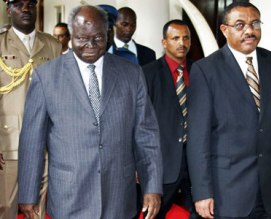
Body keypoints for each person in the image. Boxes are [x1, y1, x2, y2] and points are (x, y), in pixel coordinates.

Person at [18, 5, 163, 219]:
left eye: (97, 38)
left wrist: (152, 186)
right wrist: (28, 194)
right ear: (70, 36)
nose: (90, 46)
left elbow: (146, 134)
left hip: (119, 196)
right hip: (69, 197)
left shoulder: (131, 74)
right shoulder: (46, 77)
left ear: (108, 34)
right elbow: (32, 141)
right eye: (82, 38)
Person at [187, 2, 271, 219]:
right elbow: (197, 139)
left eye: (255, 23)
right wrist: (202, 192)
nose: (249, 30)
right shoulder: (206, 70)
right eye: (240, 25)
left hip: (268, 189)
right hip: (226, 192)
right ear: (225, 30)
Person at [0, 0, 62, 218]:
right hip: (8, 142)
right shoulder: (1, 44)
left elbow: (59, 94)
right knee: (6, 207)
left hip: (45, 141)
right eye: (18, 4)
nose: (26, 9)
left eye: (31, 4)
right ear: (9, 9)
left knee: (38, 209)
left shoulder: (51, 44)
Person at [143, 19, 199, 219]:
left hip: (196, 163)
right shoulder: (147, 74)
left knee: (202, 213)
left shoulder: (201, 71)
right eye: (175, 38)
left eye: (186, 38)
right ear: (164, 42)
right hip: (162, 163)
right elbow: (139, 122)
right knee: (155, 214)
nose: (181, 43)